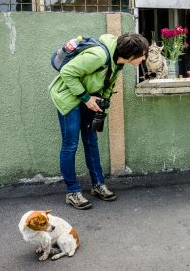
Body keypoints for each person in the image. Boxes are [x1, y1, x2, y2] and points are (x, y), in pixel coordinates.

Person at [49, 33, 149, 210]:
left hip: (91, 100)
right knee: (70, 144)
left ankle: (97, 184)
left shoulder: (118, 62)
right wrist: (86, 98)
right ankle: (72, 191)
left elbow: (107, 86)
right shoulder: (99, 56)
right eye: (142, 54)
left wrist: (101, 110)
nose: (144, 58)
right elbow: (67, 72)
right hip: (69, 98)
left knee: (91, 141)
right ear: (130, 54)